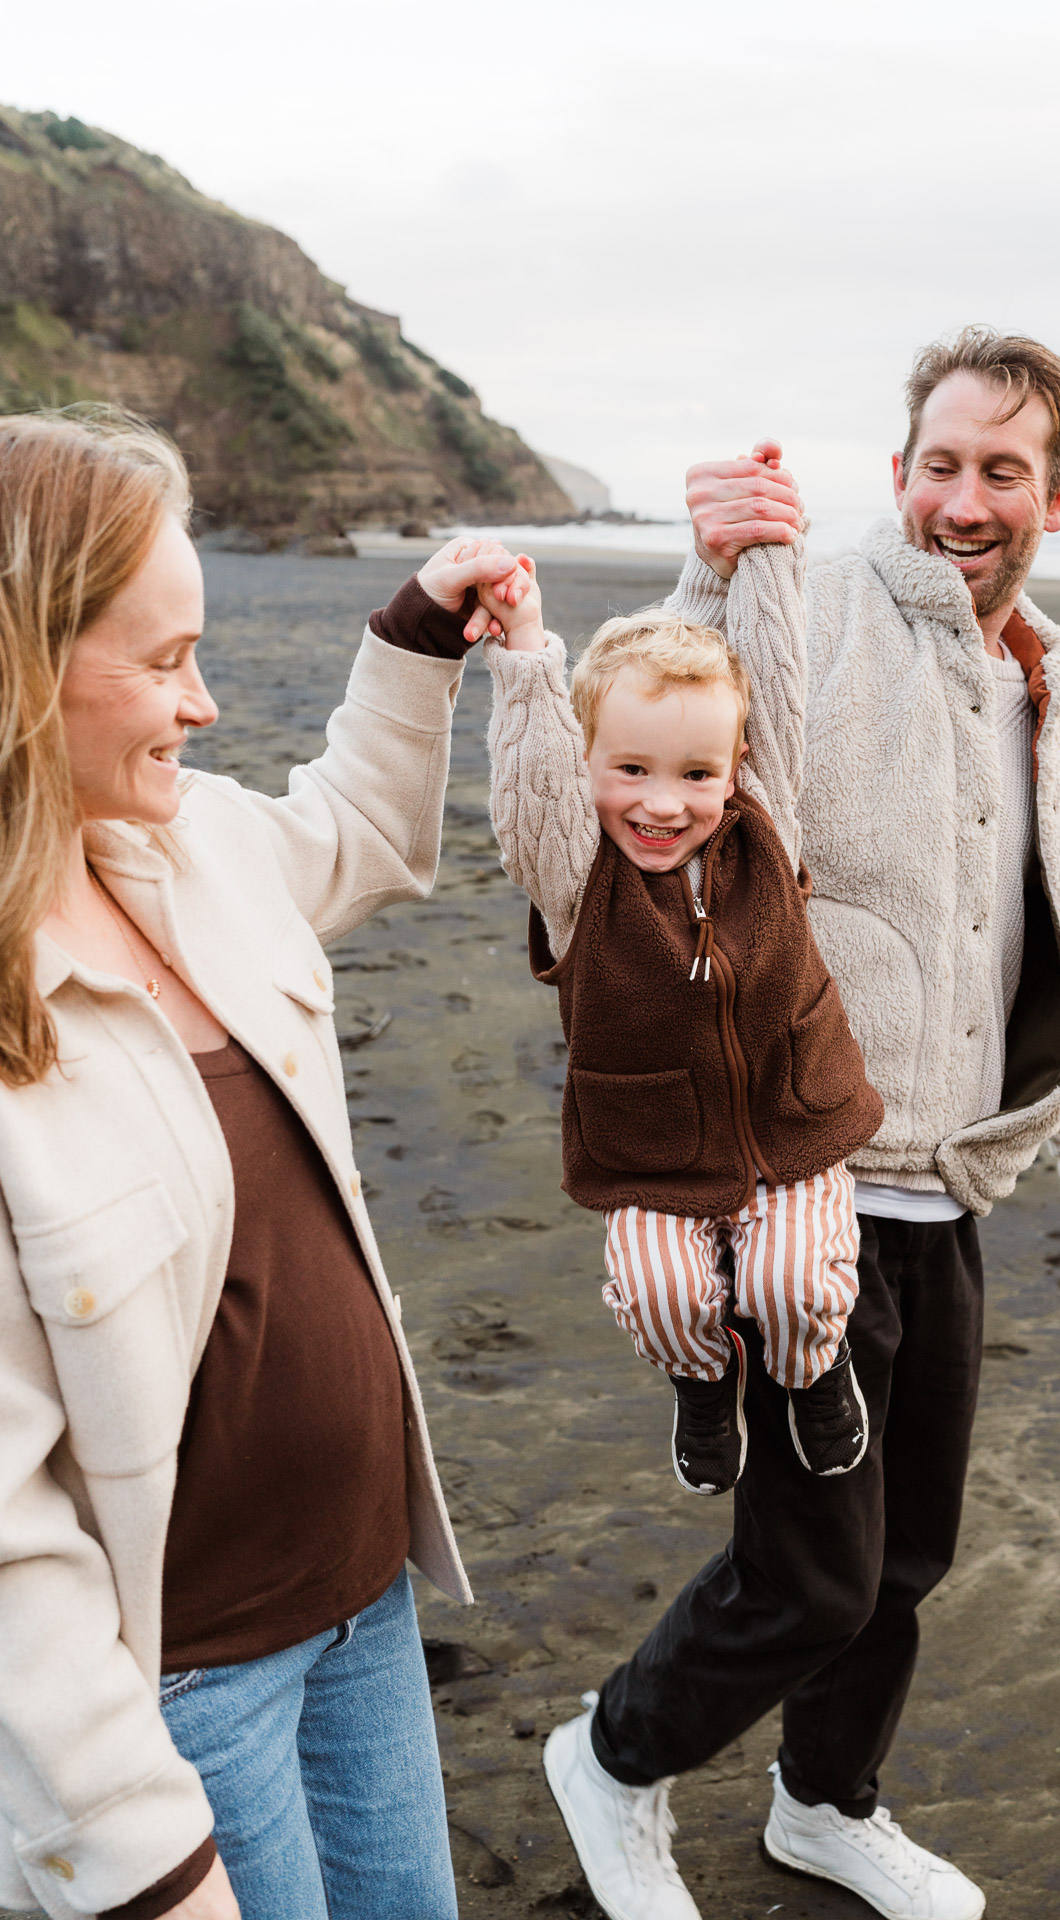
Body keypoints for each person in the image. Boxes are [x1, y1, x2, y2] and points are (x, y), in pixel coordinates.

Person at [539, 329, 1060, 1920]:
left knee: (901, 1566)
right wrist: (707, 557)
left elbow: (1056, 947)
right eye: (937, 463)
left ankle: (824, 1802)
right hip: (800, 1182)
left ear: (1056, 497)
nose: (962, 496)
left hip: (959, 1187)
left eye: (998, 470)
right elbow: (660, 722)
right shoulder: (806, 602)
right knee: (806, 1571)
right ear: (897, 475)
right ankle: (610, 1758)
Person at [0, 407, 531, 1920]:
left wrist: (419, 637)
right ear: (21, 670)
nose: (210, 704)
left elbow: (358, 829)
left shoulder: (194, 846)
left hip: (366, 1608)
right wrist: (140, 1858)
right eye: (164, 663)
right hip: (179, 1691)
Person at [476, 521, 883, 1497]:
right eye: (630, 771)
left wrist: (770, 554)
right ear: (589, 766)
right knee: (663, 1295)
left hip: (794, 1119)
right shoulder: (575, 876)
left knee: (793, 1287)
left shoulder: (763, 828)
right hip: (652, 1144)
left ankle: (812, 1376)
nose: (663, 804)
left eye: (697, 775)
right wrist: (525, 650)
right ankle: (704, 1385)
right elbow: (531, 783)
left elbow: (778, 686)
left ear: (735, 767)